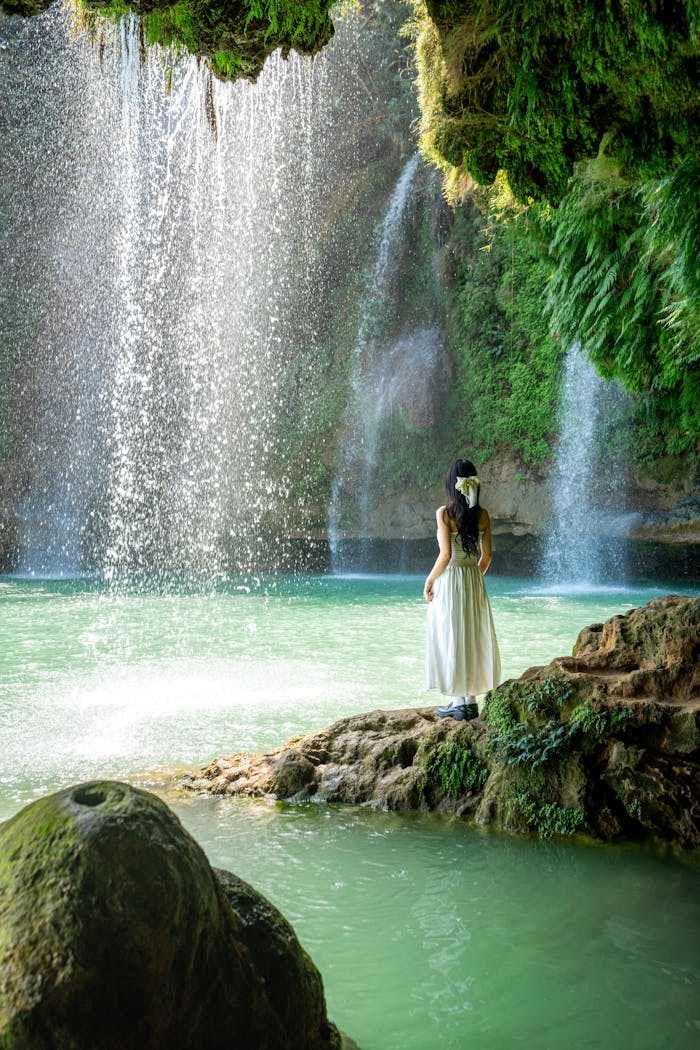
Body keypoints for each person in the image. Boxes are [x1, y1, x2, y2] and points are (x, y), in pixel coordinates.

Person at [423, 458, 501, 720]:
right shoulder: (483, 516)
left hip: (450, 579)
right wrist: (473, 579)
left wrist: (431, 579)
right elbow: (487, 556)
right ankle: (471, 701)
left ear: (451, 484)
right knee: (471, 633)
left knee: (451, 635)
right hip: (473, 578)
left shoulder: (444, 513)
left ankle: (458, 702)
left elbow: (445, 556)